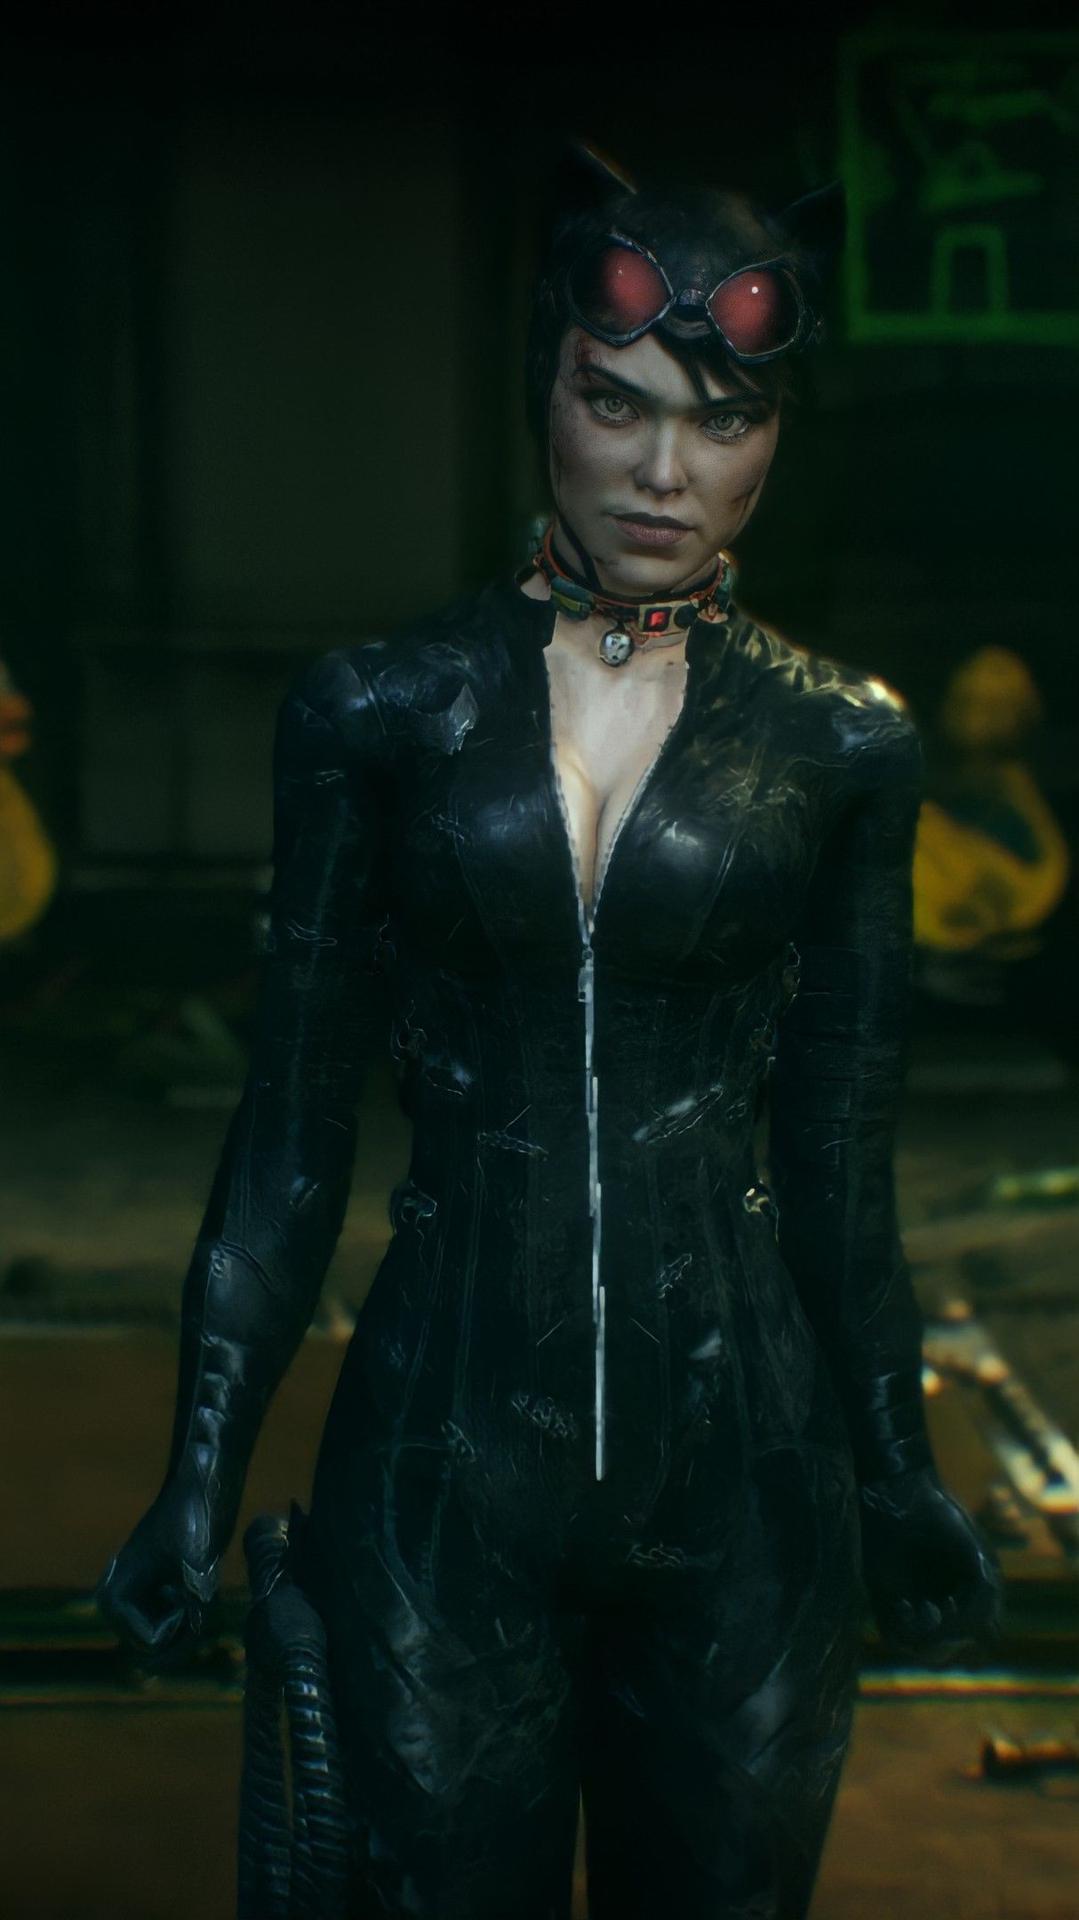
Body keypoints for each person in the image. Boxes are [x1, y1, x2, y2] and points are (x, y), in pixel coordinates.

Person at [98, 150, 999, 1920]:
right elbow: (289, 1128)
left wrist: (897, 1472)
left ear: (773, 440)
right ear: (545, 391)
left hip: (748, 1485)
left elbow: (838, 1167)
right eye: (617, 403)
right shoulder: (379, 711)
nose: (666, 471)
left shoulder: (844, 744)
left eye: (723, 420)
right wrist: (196, 1476)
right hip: (445, 1479)